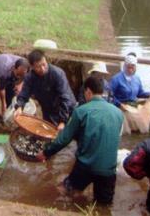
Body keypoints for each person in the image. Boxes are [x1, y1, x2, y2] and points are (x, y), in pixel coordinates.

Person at [36, 76, 123, 204]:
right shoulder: (118, 113)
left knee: (63, 191)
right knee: (104, 205)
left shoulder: (81, 111)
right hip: (108, 170)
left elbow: (64, 139)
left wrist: (46, 153)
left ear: (88, 91)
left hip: (85, 166)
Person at [14, 49, 76, 130]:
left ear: (46, 61)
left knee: (65, 136)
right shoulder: (30, 78)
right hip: (48, 109)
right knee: (48, 132)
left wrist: (63, 121)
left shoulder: (57, 74)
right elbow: (24, 94)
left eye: (44, 64)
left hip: (66, 108)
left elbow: (65, 98)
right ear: (32, 67)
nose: (43, 69)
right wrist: (19, 107)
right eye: (38, 67)